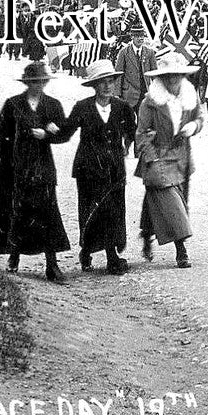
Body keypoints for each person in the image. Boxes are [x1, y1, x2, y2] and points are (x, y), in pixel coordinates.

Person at [0, 62, 71, 282]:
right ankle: (14, 256)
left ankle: (52, 264)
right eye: (33, 82)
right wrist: (10, 159)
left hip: (42, 166)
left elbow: (64, 134)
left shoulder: (52, 105)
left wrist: (48, 135)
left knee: (47, 214)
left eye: (41, 81)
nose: (37, 86)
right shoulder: (13, 104)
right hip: (17, 168)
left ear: (46, 82)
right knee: (17, 212)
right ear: (26, 83)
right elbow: (0, 137)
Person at [53, 59, 135, 275]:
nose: (107, 86)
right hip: (88, 169)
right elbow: (65, 132)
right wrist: (49, 132)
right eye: (102, 82)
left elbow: (132, 131)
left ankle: (111, 256)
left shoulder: (122, 107)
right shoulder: (83, 107)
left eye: (110, 81)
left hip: (114, 169)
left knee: (113, 211)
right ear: (94, 85)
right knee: (91, 211)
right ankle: (87, 250)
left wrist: (127, 146)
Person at [136, 53, 204, 267]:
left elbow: (200, 117)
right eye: (168, 75)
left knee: (169, 201)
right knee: (172, 203)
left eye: (177, 75)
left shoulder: (190, 95)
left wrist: (193, 126)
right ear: (161, 78)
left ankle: (146, 233)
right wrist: (152, 159)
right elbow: (141, 134)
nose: (173, 79)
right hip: (159, 156)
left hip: (182, 156)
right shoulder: (150, 102)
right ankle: (181, 249)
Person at [115, 26, 157, 111]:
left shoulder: (149, 52)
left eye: (142, 36)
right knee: (129, 118)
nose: (140, 39)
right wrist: (117, 94)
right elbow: (119, 74)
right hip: (128, 95)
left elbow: (155, 74)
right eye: (137, 36)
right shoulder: (124, 52)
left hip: (145, 93)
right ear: (132, 37)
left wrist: (158, 90)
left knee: (144, 118)